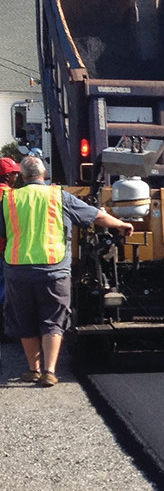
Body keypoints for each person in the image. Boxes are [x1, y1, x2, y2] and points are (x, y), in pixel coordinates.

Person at [0, 155, 134, 386]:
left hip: (18, 269)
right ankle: (50, 372)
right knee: (53, 318)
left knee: (24, 320)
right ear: (44, 175)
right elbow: (96, 215)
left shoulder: (9, 199)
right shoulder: (58, 195)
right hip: (54, 268)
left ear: (22, 176)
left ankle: (33, 369)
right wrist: (121, 224)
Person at [0, 157, 20, 340]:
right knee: (5, 291)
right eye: (14, 173)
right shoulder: (9, 196)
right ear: (7, 176)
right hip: (4, 249)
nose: (16, 175)